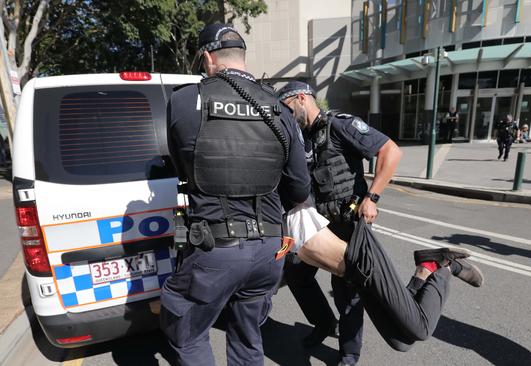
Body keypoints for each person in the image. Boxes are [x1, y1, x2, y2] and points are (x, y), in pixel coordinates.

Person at [161, 24, 310, 366]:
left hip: (216, 251)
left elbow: (181, 169)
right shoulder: (279, 108)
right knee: (247, 339)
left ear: (208, 58)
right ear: (242, 57)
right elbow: (299, 189)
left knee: (185, 331)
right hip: (269, 254)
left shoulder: (184, 100)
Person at [277, 81, 400, 366]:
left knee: (347, 290)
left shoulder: (340, 125)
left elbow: (391, 152)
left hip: (347, 222)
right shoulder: (302, 137)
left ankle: (348, 353)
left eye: (286, 107)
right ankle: (323, 324)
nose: (285, 114)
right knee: (295, 273)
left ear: (300, 98)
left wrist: (372, 197)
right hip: (318, 224)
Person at [284, 187, 483, 353]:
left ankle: (446, 267)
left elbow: (390, 151)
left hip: (364, 263)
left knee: (421, 330)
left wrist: (371, 198)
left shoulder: (288, 201)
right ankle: (426, 268)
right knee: (401, 342)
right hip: (353, 276)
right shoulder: (276, 224)